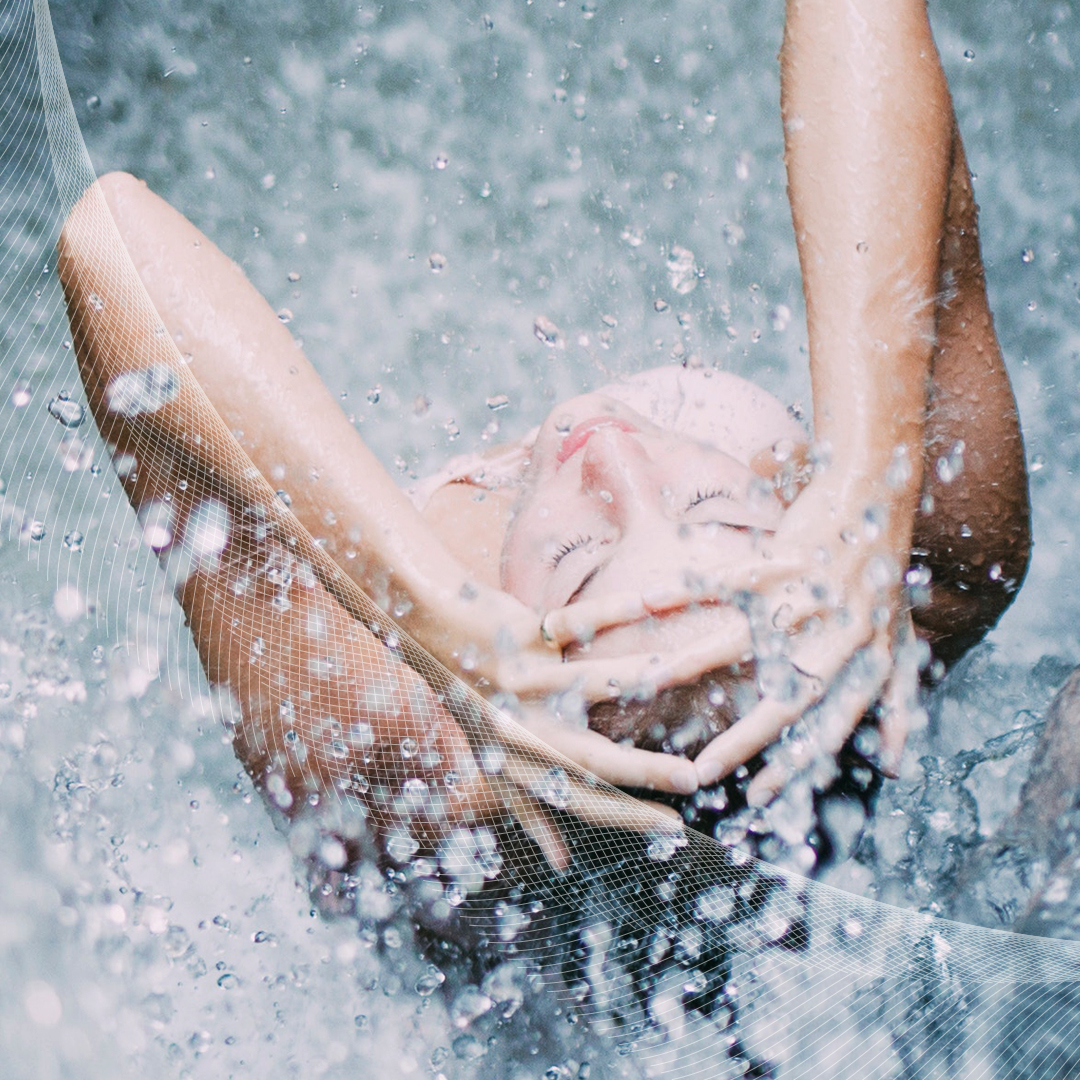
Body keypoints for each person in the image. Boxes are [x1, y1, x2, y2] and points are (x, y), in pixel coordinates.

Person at [55, 0, 1029, 863]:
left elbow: (110, 242)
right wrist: (865, 479)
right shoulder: (925, 578)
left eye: (574, 557)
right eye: (712, 510)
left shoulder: (400, 767)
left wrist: (434, 625)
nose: (609, 448)